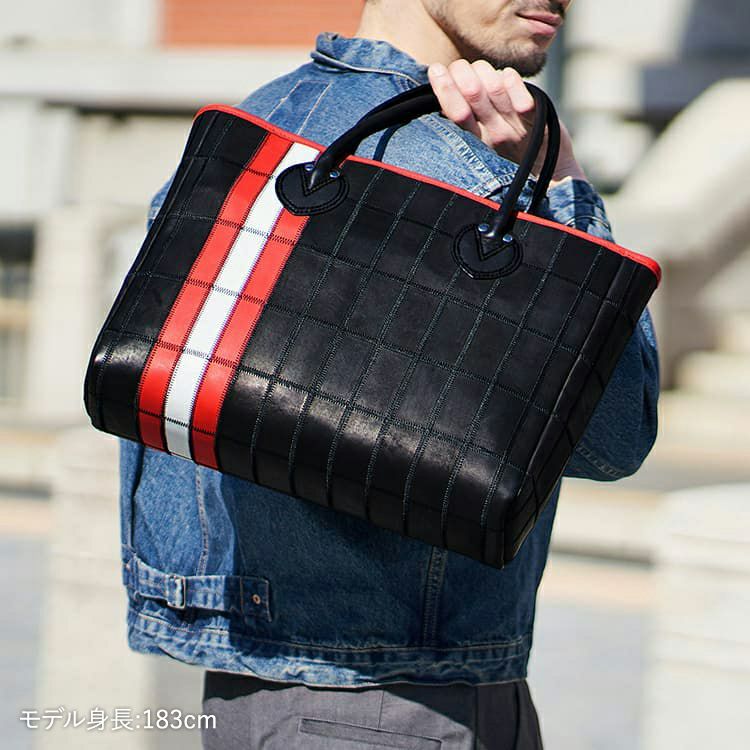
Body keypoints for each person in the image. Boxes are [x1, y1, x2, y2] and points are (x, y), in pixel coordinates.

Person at [120, 1, 659, 747]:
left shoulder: (263, 120)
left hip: (258, 684)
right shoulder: (468, 169)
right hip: (402, 698)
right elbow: (613, 437)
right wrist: (565, 188)